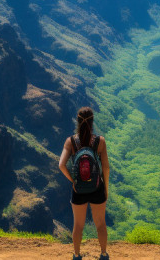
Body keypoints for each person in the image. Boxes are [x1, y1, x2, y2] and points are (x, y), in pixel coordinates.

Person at [59, 106, 110, 260]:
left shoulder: (71, 141)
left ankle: (76, 255)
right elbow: (106, 168)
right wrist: (105, 188)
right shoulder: (100, 141)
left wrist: (73, 180)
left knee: (78, 225)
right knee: (100, 224)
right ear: (92, 121)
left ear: (78, 121)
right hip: (97, 187)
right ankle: (103, 254)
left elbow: (61, 165)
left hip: (78, 189)